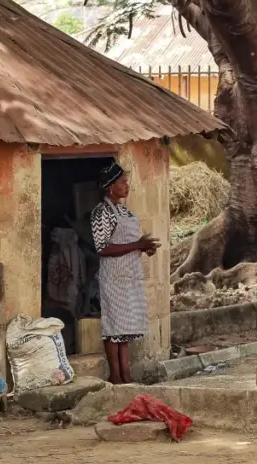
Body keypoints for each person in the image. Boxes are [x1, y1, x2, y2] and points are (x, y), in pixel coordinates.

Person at [90, 161, 160, 385]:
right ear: (110, 186)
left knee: (125, 328)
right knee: (113, 327)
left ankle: (125, 375)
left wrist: (144, 247)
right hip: (114, 277)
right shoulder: (101, 213)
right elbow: (103, 248)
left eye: (126, 182)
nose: (127, 186)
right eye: (122, 182)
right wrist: (137, 245)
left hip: (129, 275)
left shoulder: (123, 211)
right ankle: (116, 375)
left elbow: (129, 243)